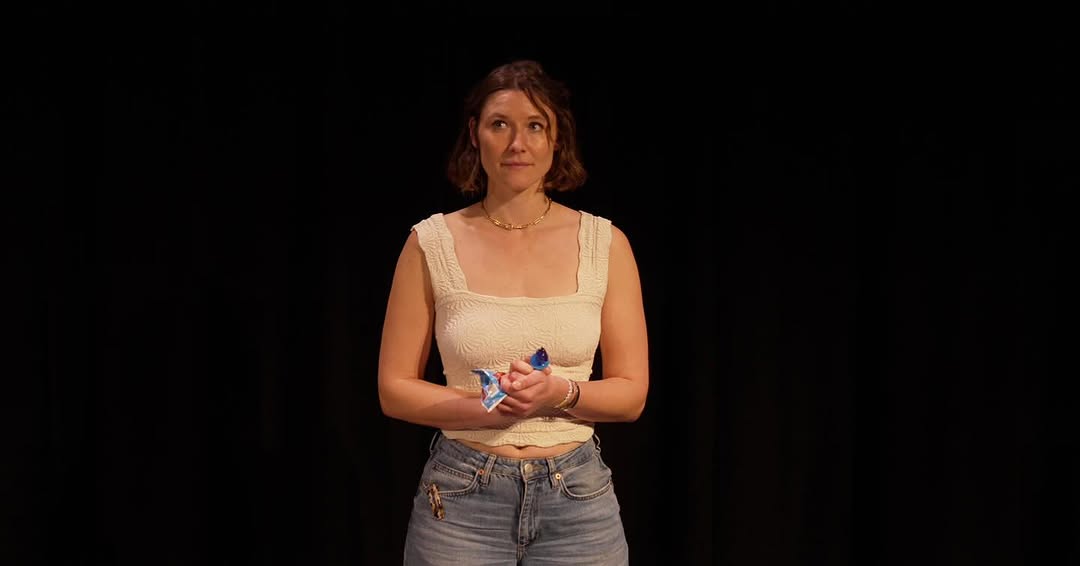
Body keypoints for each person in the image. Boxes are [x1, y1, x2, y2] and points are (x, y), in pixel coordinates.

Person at [377, 59, 649, 565]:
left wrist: (557, 394)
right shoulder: (430, 242)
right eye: (499, 124)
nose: (516, 143)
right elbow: (394, 389)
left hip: (578, 497)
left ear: (556, 141)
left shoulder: (604, 243)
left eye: (534, 126)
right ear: (475, 136)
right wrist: (491, 405)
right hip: (461, 495)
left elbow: (631, 393)